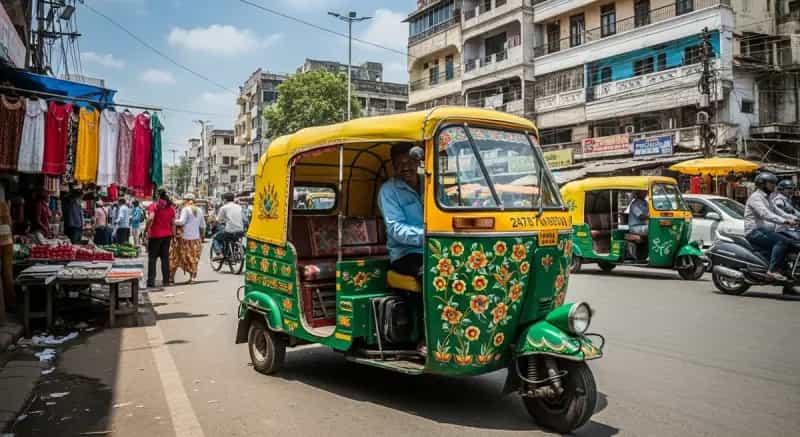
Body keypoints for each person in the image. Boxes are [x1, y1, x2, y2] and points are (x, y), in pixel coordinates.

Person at [379, 143, 424, 278]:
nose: (405, 167)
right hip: (405, 254)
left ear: (417, 162)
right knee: (431, 275)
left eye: (410, 162)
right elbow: (395, 228)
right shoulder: (388, 191)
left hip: (435, 249)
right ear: (393, 166)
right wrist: (427, 236)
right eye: (400, 163)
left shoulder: (430, 183)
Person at [745, 172, 796, 282]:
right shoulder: (755, 197)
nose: (774, 186)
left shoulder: (767, 198)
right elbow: (765, 214)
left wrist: (794, 218)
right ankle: (772, 271)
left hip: (765, 231)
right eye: (771, 183)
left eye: (774, 183)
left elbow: (778, 212)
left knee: (791, 244)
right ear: (762, 184)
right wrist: (785, 221)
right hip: (754, 232)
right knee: (781, 242)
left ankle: (786, 278)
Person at [170, 194, 206, 283]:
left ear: (186, 201)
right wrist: (202, 237)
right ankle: (192, 278)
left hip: (184, 238)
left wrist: (172, 221)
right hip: (195, 239)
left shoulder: (185, 209)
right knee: (193, 258)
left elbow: (181, 221)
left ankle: (171, 278)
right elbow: (203, 226)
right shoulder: (200, 210)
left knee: (176, 257)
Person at [147, 190, 176, 289]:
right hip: (167, 236)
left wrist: (147, 228)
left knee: (152, 259)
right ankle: (166, 281)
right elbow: (173, 223)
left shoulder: (154, 206)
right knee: (165, 259)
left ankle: (151, 281)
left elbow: (151, 218)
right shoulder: (171, 208)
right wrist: (174, 235)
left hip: (155, 236)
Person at [212, 192, 244, 258]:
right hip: (241, 230)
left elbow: (218, 220)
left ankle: (219, 253)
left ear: (225, 200)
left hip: (229, 231)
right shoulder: (239, 207)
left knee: (215, 238)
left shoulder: (224, 208)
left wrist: (214, 223)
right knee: (232, 238)